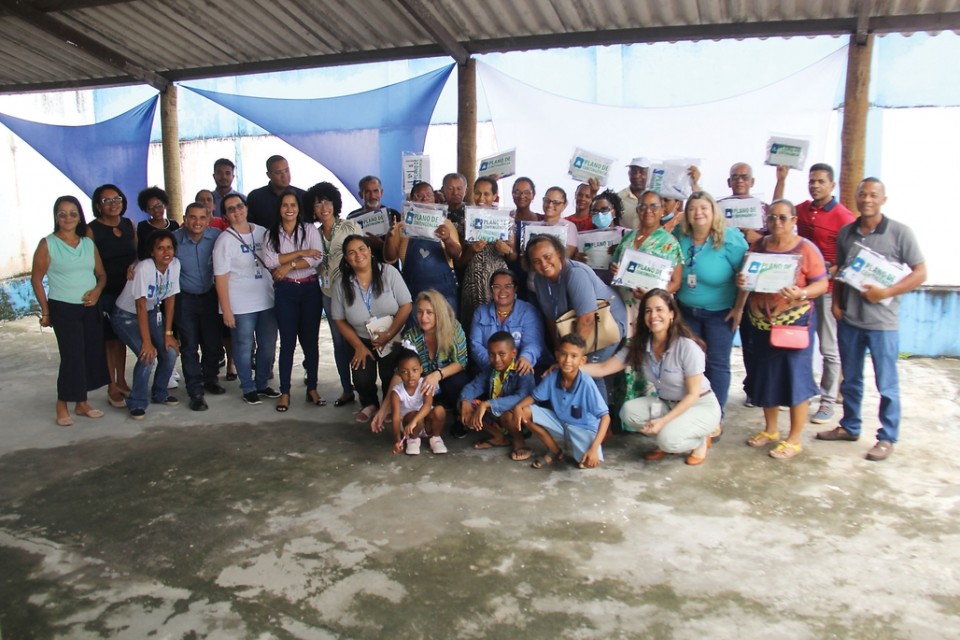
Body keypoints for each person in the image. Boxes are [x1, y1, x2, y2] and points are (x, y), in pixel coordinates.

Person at [816, 178, 927, 462]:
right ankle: (850, 426)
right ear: (856, 198)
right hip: (850, 320)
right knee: (851, 379)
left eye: (873, 195)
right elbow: (841, 271)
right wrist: (837, 305)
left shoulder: (900, 233)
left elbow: (920, 272)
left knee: (886, 384)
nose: (867, 199)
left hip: (882, 324)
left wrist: (887, 292)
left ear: (883, 200)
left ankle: (887, 437)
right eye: (862, 194)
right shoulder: (847, 233)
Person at [582, 289, 721, 465]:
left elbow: (692, 394)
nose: (653, 315)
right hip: (667, 403)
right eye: (648, 311)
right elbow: (603, 368)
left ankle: (700, 439)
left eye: (659, 309)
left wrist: (662, 422)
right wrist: (569, 367)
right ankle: (672, 431)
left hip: (698, 405)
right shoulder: (640, 344)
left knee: (668, 440)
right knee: (628, 412)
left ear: (671, 314)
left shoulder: (687, 347)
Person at [738, 199, 828, 459]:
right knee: (766, 377)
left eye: (783, 217)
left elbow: (821, 285)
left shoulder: (806, 249)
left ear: (794, 221)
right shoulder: (758, 247)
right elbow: (746, 282)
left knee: (795, 379)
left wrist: (802, 292)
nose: (777, 222)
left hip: (794, 326)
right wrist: (742, 281)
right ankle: (771, 430)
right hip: (760, 324)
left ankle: (795, 438)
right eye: (772, 218)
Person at [773, 163, 856, 424]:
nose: (815, 185)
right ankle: (801, 394)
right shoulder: (803, 210)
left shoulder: (844, 217)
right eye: (812, 181)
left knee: (829, 348)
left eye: (821, 181)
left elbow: (853, 258)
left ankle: (828, 401)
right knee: (797, 344)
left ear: (832, 185)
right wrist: (781, 179)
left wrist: (832, 270)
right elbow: (779, 208)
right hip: (798, 292)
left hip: (828, 290)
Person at [31, 196, 109, 426]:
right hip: (63, 308)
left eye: (73, 213)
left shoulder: (87, 243)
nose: (68, 218)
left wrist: (97, 290)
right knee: (72, 356)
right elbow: (36, 278)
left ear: (79, 217)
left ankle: (82, 403)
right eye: (62, 213)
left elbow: (101, 274)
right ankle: (62, 404)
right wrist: (46, 311)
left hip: (90, 308)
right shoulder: (48, 244)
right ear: (56, 217)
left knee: (89, 354)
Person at [674, 191, 748, 421]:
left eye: (704, 208)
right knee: (691, 364)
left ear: (713, 211)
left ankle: (715, 418)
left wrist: (739, 308)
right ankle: (692, 412)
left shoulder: (730, 238)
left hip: (721, 314)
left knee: (717, 364)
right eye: (693, 208)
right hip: (687, 312)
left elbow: (746, 275)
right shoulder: (680, 235)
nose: (698, 213)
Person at [526, 234, 627, 398]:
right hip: (579, 326)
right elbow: (551, 320)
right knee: (569, 365)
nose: (543, 264)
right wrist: (559, 352)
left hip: (606, 324)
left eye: (547, 257)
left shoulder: (575, 274)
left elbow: (587, 319)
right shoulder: (539, 280)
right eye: (536, 261)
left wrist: (572, 355)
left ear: (559, 253)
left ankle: (601, 420)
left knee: (589, 371)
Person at [332, 235, 413, 423]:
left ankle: (389, 404)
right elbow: (339, 319)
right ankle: (369, 404)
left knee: (390, 373)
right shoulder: (341, 284)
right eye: (351, 253)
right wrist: (358, 346)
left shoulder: (388, 273)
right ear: (346, 258)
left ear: (369, 250)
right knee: (361, 377)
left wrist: (390, 333)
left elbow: (406, 304)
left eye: (361, 249)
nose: (358, 255)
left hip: (391, 335)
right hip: (360, 338)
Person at [261, 189, 324, 412]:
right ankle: (285, 392)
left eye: (293, 205)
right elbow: (270, 261)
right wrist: (302, 252)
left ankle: (312, 388)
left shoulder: (309, 230)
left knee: (310, 342)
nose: (289, 209)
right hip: (285, 291)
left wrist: (290, 264)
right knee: (287, 343)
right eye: (285, 205)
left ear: (299, 208)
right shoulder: (271, 234)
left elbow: (317, 258)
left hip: (309, 290)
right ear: (279, 209)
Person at [213, 194, 280, 405]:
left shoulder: (263, 232)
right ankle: (248, 387)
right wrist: (226, 309)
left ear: (246, 208)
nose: (236, 211)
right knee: (243, 345)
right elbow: (220, 278)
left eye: (239, 206)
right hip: (240, 304)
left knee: (268, 344)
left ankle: (262, 384)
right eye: (230, 209)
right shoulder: (224, 240)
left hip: (267, 299)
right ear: (225, 215)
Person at [110, 229, 181, 420]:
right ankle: (137, 401)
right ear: (151, 252)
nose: (166, 252)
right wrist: (147, 342)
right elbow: (139, 306)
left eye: (169, 247)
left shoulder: (175, 264)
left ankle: (160, 393)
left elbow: (171, 299)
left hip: (152, 312)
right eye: (160, 248)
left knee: (171, 352)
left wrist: (168, 333)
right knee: (147, 355)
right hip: (126, 315)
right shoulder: (144, 268)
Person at [513, 334, 610, 469]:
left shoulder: (586, 383)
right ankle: (555, 451)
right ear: (557, 355)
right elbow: (533, 397)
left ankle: (584, 448)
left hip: (583, 429)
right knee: (524, 412)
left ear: (582, 360)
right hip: (560, 423)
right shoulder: (553, 377)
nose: (567, 360)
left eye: (574, 356)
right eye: (563, 354)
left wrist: (593, 448)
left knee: (586, 463)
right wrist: (518, 407)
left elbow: (605, 417)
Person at [307, 181, 362, 408]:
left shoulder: (350, 227)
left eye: (327, 201)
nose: (323, 207)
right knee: (339, 342)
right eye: (318, 204)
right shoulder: (313, 233)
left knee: (359, 338)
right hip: (327, 294)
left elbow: (363, 255)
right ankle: (347, 389)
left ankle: (365, 386)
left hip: (353, 292)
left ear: (335, 203)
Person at [87, 184, 137, 409]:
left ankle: (121, 381)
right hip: (105, 292)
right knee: (108, 341)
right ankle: (111, 387)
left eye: (116, 198)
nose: (113, 203)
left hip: (127, 292)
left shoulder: (128, 225)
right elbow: (90, 265)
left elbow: (137, 255)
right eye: (106, 201)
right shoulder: (91, 230)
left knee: (121, 339)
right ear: (98, 206)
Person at [172, 202, 224, 412]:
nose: (197, 222)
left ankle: (210, 378)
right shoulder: (174, 239)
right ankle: (195, 391)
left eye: (202, 217)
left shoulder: (216, 236)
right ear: (185, 219)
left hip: (210, 295)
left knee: (213, 343)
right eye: (192, 217)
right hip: (185, 299)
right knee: (190, 346)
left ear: (208, 219)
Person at [609, 190, 683, 336]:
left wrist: (652, 295)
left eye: (653, 206)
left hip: (654, 309)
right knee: (628, 352)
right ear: (637, 210)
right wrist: (614, 268)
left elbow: (676, 282)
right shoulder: (628, 238)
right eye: (643, 207)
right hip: (625, 306)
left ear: (663, 210)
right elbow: (615, 264)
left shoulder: (669, 242)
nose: (648, 211)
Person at [384, 184, 461, 316]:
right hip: (414, 292)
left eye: (428, 195)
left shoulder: (445, 223)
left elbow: (457, 254)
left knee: (448, 333)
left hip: (445, 291)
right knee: (416, 334)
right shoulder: (403, 226)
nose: (424, 199)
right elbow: (390, 258)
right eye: (419, 196)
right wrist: (390, 237)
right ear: (411, 200)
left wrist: (447, 239)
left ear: (434, 198)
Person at [459, 331, 537, 460]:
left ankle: (519, 442)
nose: (496, 360)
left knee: (507, 415)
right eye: (491, 354)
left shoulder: (522, 370)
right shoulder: (491, 369)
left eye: (502, 354)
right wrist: (465, 402)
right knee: (466, 406)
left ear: (514, 353)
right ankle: (499, 437)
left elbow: (522, 397)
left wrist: (488, 404)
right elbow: (472, 387)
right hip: (497, 415)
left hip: (518, 421)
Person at [458, 176, 517, 327]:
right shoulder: (466, 222)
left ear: (495, 196)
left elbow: (515, 258)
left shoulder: (506, 222)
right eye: (477, 193)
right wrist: (471, 250)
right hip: (473, 282)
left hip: (498, 282)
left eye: (486, 194)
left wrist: (507, 250)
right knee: (473, 325)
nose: (481, 198)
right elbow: (459, 262)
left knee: (499, 323)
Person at [469, 269, 544, 374]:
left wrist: (525, 358)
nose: (502, 291)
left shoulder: (528, 311)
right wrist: (495, 364)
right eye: (497, 287)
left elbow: (533, 342)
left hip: (518, 370)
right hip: (488, 370)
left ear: (515, 289)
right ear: (491, 290)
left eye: (508, 286)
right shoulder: (480, 312)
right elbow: (475, 345)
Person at [388, 348, 447, 456]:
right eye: (405, 372)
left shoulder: (425, 383)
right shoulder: (396, 393)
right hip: (409, 427)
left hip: (423, 423)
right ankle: (413, 440)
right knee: (414, 415)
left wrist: (415, 420)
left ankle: (436, 438)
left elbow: (428, 405)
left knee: (440, 411)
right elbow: (396, 419)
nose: (411, 375)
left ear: (421, 369)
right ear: (399, 373)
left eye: (414, 370)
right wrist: (397, 440)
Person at [573, 189, 624, 286]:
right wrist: (577, 259)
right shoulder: (583, 237)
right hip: (590, 285)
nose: (599, 215)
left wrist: (621, 251)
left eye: (604, 210)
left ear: (613, 213)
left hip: (617, 289)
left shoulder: (625, 235)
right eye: (595, 212)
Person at [346, 175, 401, 259]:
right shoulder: (352, 218)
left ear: (381, 193)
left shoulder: (394, 215)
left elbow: (401, 248)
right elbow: (349, 246)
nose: (372, 196)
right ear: (361, 195)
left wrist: (381, 244)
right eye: (367, 192)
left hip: (388, 267)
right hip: (361, 266)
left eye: (376, 191)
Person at [246, 155, 305, 229]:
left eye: (286, 170)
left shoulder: (303, 196)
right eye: (278, 172)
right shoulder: (255, 197)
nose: (284, 176)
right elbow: (250, 227)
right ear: (269, 175)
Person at [136, 186, 180, 260]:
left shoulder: (173, 224)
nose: (156, 210)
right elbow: (141, 251)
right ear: (146, 210)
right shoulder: (143, 226)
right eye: (151, 208)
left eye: (158, 206)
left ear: (165, 205)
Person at [618, 157, 651, 229]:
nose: (637, 175)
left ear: (649, 174)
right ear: (628, 174)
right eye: (633, 172)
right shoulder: (618, 198)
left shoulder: (656, 198)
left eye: (642, 172)